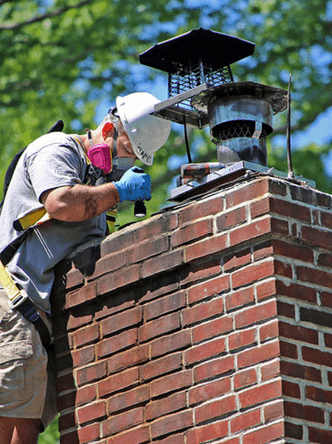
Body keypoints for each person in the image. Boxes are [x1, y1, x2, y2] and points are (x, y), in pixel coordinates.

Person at [0, 92, 171, 444]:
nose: (122, 165)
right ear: (109, 128)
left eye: (134, 160)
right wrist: (118, 192)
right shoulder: (57, 149)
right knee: (16, 428)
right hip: (12, 303)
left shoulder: (97, 199)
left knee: (27, 423)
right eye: (125, 153)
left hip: (38, 321)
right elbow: (60, 202)